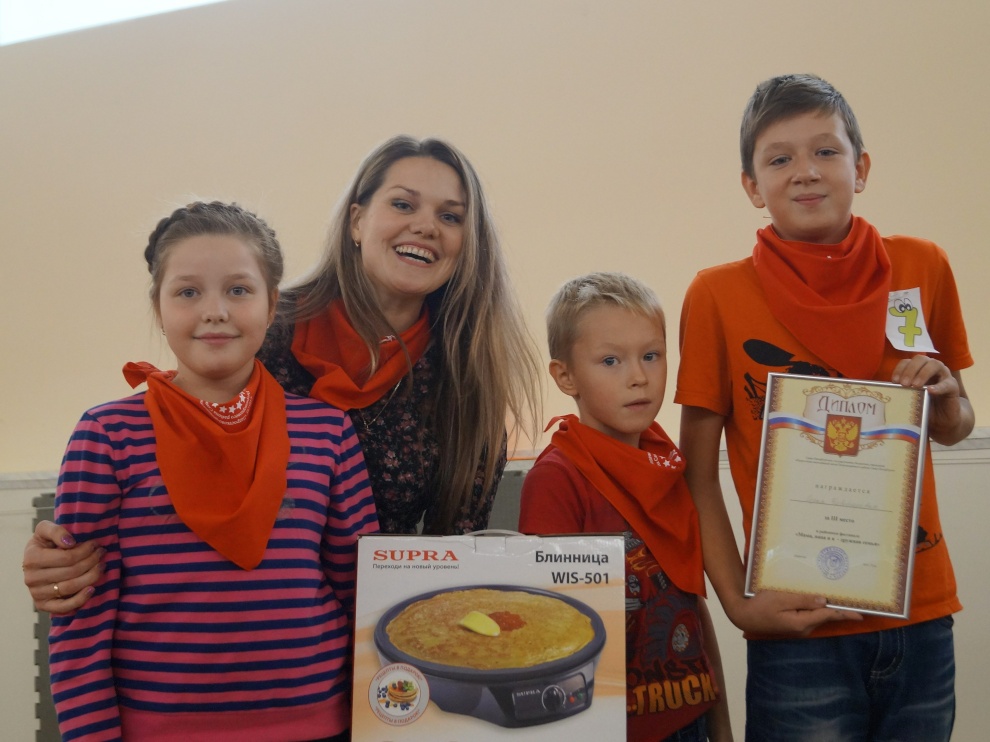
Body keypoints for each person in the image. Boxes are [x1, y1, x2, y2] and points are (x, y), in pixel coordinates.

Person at [24, 136, 543, 613]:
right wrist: (67, 558)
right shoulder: (258, 324)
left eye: (450, 216)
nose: (426, 226)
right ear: (357, 221)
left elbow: (457, 556)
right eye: (403, 205)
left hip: (375, 639)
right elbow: (172, 456)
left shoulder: (469, 377)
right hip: (216, 625)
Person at [675, 74, 975, 741]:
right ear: (752, 185)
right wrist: (740, 603)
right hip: (797, 628)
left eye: (826, 151)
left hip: (922, 616)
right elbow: (695, 472)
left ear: (860, 168)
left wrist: (949, 400)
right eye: (779, 158)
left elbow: (956, 427)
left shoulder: (922, 266)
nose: (805, 171)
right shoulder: (717, 295)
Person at [48, 201, 379, 741]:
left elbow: (361, 589)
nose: (215, 311)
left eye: (239, 290)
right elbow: (79, 613)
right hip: (156, 728)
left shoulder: (327, 430)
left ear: (271, 306)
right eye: (187, 292)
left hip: (317, 724)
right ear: (158, 308)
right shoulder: (107, 435)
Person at [519, 272, 732, 742]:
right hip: (607, 726)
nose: (638, 377)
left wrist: (721, 725)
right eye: (611, 361)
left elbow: (690, 600)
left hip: (689, 717)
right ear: (565, 376)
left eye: (651, 355)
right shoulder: (557, 478)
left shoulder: (666, 462)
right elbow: (550, 632)